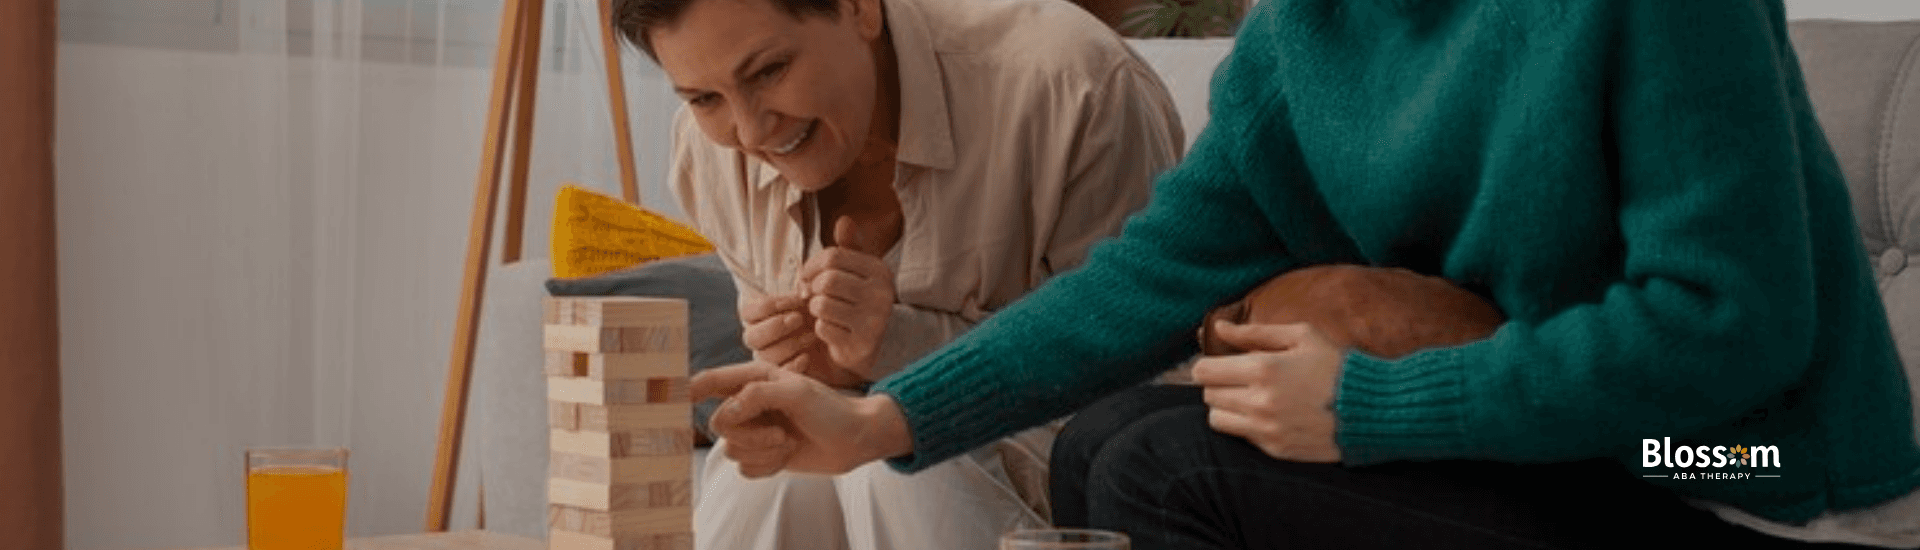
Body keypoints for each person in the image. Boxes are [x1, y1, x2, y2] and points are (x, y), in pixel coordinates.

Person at [690, 0, 1920, 548]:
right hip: (1584, 462)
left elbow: (1735, 327)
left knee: (1169, 467)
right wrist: (875, 419)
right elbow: (1150, 277)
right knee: (1105, 442)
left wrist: (1374, 409)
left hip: (1749, 474)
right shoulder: (1307, 32)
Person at [609, 0, 1184, 547]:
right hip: (875, 470)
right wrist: (808, 372)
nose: (751, 134)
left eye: (769, 71)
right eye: (705, 97)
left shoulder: (1072, 84)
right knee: (770, 476)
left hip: (1064, 488)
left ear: (859, 7)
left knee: (893, 471)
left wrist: (896, 348)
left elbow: (1134, 375)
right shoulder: (707, 153)